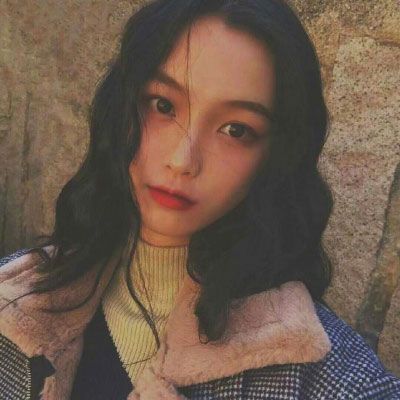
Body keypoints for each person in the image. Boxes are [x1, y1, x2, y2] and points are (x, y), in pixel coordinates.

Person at [0, 0, 399, 399]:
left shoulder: (337, 382)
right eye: (163, 106)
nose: (182, 161)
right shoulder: (17, 300)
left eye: (236, 130)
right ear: (122, 106)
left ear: (276, 156)